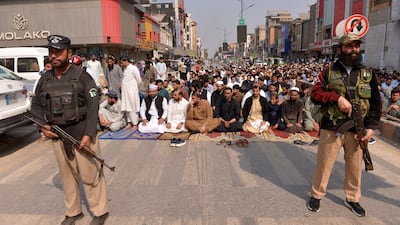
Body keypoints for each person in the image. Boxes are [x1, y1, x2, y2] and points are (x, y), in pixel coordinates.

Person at [30, 35, 109, 225]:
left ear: (69, 53)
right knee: (67, 176)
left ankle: (100, 211)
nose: (54, 56)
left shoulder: (82, 77)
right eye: (51, 52)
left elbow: (92, 106)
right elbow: (36, 106)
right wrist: (42, 127)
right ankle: (73, 212)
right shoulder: (45, 79)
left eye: (58, 51)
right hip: (58, 135)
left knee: (91, 174)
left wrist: (89, 134)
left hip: (81, 133)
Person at [307, 33, 381, 217]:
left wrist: (370, 128)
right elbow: (315, 93)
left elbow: (375, 103)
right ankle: (317, 195)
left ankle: (353, 198)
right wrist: (336, 98)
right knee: (324, 164)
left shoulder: (367, 74)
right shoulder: (329, 71)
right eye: (350, 46)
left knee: (355, 167)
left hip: (358, 129)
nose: (354, 49)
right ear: (340, 50)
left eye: (356, 46)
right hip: (332, 127)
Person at [120, 55, 142, 130]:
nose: (121, 64)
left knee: (133, 107)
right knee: (127, 107)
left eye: (122, 62)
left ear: (126, 61)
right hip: (125, 92)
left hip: (132, 91)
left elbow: (139, 80)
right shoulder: (125, 69)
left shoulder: (134, 68)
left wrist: (134, 88)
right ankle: (129, 123)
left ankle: (135, 123)